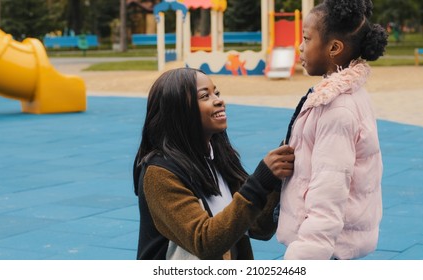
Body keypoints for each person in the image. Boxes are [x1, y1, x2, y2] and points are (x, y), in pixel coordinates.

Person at [133, 67, 294, 260]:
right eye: (205, 96)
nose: (219, 100)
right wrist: (260, 181)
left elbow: (258, 227)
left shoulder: (218, 157)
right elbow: (205, 242)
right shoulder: (160, 174)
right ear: (178, 109)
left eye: (216, 93)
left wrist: (275, 180)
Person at [276, 0, 388, 260]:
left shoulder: (338, 108)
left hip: (326, 248)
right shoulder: (339, 94)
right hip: (334, 243)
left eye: (306, 39)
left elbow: (330, 188)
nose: (300, 47)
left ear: (334, 48)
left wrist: (305, 257)